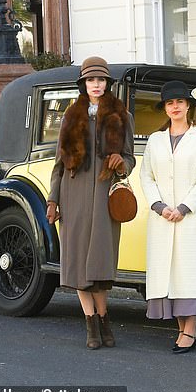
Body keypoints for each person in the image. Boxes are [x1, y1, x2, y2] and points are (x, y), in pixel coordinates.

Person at [46, 56, 135, 350]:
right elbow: (59, 164)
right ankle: (91, 324)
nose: (95, 85)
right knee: (79, 265)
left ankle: (104, 316)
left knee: (99, 264)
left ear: (107, 84)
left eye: (100, 80)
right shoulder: (71, 115)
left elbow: (130, 158)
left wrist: (122, 163)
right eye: (90, 80)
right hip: (73, 197)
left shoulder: (122, 115)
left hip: (105, 198)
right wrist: (53, 199)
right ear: (83, 84)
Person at [140, 80, 196, 354]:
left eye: (180, 102)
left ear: (188, 107)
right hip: (162, 219)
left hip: (190, 219)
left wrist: (183, 208)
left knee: (188, 273)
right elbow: (146, 176)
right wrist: (159, 206)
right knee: (169, 274)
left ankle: (190, 330)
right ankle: (180, 327)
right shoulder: (155, 140)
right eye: (170, 103)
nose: (175, 107)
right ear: (165, 108)